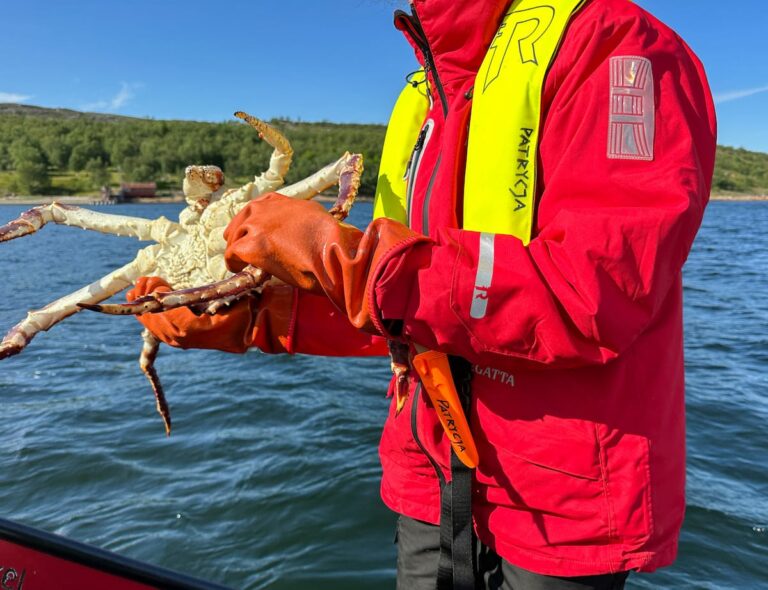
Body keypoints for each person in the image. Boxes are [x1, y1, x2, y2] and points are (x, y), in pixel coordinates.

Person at [129, 0, 717, 587]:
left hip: (561, 499)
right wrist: (266, 317)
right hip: (427, 470)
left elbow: (593, 292)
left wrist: (357, 265)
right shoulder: (423, 94)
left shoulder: (619, 47)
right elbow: (399, 307)